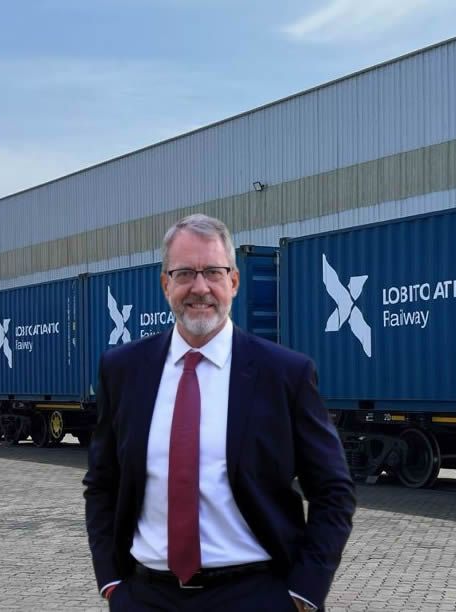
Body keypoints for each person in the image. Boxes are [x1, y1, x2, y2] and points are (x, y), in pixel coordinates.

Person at [83, 214, 356, 612]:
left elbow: (333, 490)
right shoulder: (124, 370)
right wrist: (111, 581)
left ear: (234, 282)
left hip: (256, 595)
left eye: (213, 272)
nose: (200, 287)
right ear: (165, 285)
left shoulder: (284, 374)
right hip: (146, 596)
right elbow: (102, 483)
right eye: (184, 274)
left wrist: (304, 592)